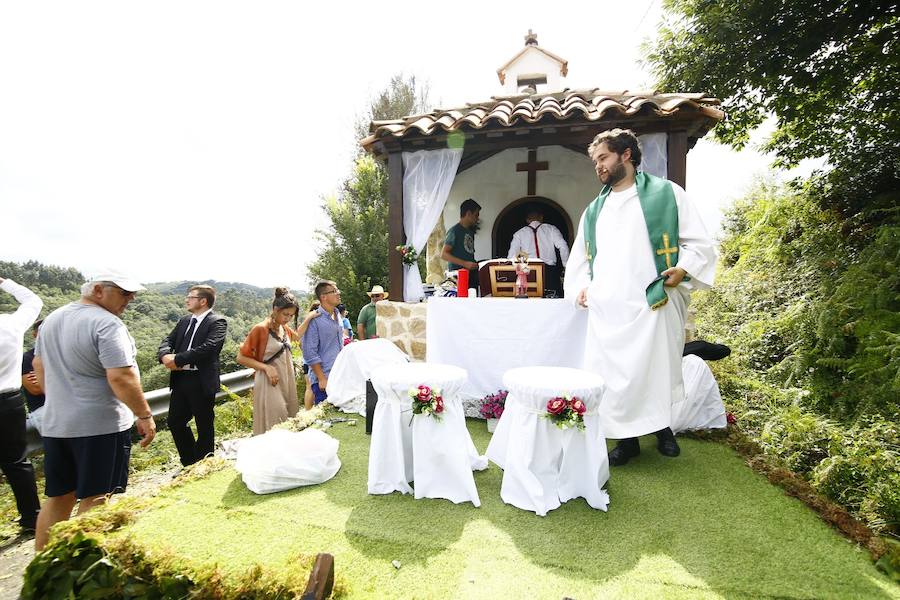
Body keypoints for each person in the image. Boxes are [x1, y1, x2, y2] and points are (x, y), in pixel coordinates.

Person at [564, 129, 717, 466]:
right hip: (610, 309)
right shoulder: (595, 209)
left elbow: (698, 244)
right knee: (614, 376)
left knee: (655, 370)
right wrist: (580, 290)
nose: (598, 167)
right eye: (595, 162)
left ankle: (663, 430)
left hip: (653, 300)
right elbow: (580, 259)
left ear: (626, 155)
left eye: (603, 158)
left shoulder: (668, 194)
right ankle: (626, 440)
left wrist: (682, 269)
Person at [32, 271, 156, 550]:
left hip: (57, 423)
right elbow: (121, 377)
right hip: (100, 426)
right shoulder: (107, 324)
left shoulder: (52, 320)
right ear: (98, 290)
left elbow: (38, 366)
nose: (131, 299)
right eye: (124, 293)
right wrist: (145, 415)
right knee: (97, 497)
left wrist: (62, 397)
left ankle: (43, 565)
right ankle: (76, 564)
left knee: (59, 496)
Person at [157, 285, 227, 466]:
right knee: (175, 422)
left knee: (204, 423)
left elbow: (209, 348)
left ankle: (205, 462)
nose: (186, 300)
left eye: (191, 297)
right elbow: (168, 340)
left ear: (203, 301)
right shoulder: (184, 321)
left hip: (201, 380)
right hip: (180, 380)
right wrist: (165, 356)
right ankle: (189, 462)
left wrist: (178, 359)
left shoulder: (217, 322)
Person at [238, 288, 318, 434]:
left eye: (291, 315)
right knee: (276, 420)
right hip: (269, 380)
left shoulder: (283, 327)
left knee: (289, 417)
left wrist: (309, 317)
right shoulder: (260, 329)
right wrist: (266, 368)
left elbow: (297, 336)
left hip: (286, 379)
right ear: (275, 309)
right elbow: (241, 357)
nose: (287, 318)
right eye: (285, 314)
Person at [0, 277, 42, 534]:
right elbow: (33, 301)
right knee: (17, 461)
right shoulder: (10, 324)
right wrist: (5, 282)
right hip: (9, 401)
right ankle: (32, 517)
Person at [507, 205, 570, 297]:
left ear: (527, 220)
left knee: (530, 302)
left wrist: (515, 272)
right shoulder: (551, 229)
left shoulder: (519, 233)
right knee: (552, 302)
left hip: (528, 273)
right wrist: (566, 266)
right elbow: (563, 246)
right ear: (541, 217)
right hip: (549, 272)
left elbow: (511, 256)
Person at [302, 281, 344, 405]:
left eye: (338, 290)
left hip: (338, 375)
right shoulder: (314, 320)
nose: (338, 293)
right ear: (323, 297)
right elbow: (309, 352)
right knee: (325, 421)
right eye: (334, 291)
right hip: (324, 379)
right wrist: (321, 378)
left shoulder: (337, 314)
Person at [441, 198, 481, 295]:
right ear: (468, 214)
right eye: (476, 215)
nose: (478, 218)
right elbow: (444, 254)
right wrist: (465, 263)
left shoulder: (469, 232)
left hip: (470, 273)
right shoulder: (454, 231)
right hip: (458, 275)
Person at [22, 320, 46, 434]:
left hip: (68, 405)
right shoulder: (26, 358)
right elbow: (35, 389)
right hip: (42, 410)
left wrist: (42, 378)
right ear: (35, 335)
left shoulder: (63, 354)